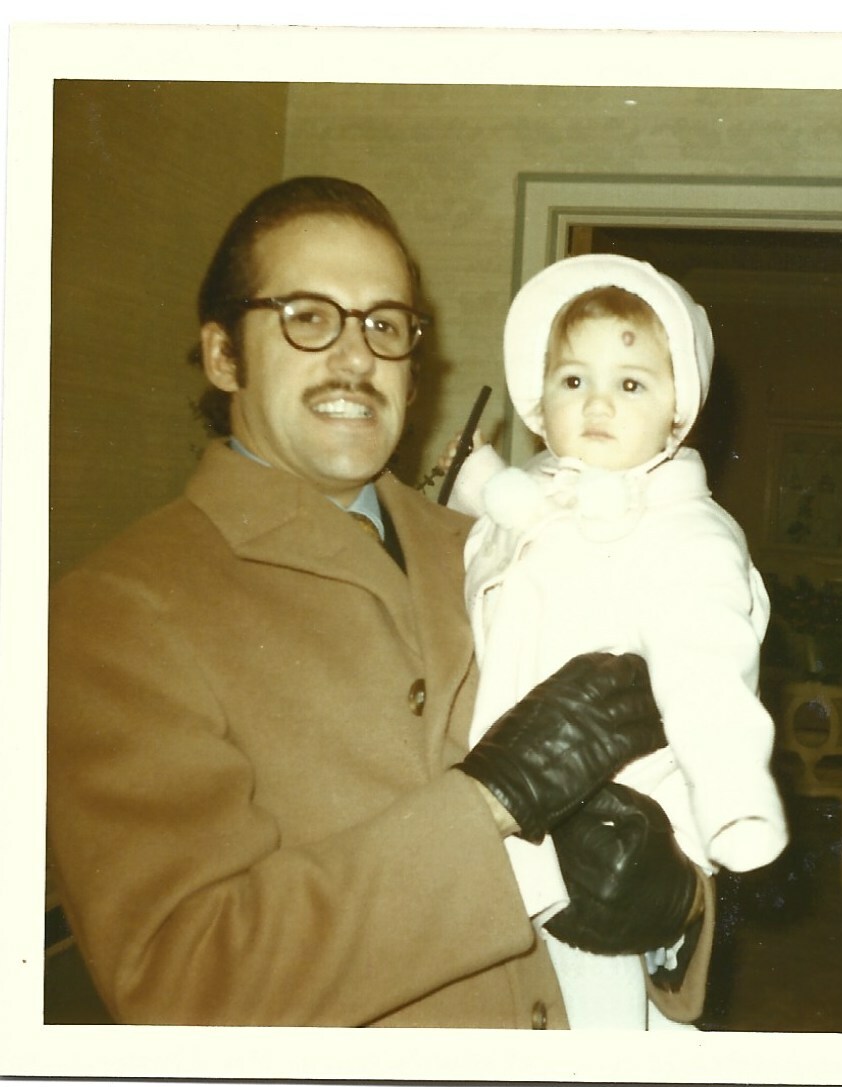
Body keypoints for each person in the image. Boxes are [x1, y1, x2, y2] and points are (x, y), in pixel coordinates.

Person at [45, 177, 715, 1029]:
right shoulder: (119, 610)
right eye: (308, 316)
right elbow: (181, 980)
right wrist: (492, 803)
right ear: (222, 354)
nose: (356, 358)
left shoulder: (498, 542)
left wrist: (675, 912)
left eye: (384, 324)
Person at [445, 254, 788, 1028]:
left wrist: (734, 802)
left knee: (600, 1026)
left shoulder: (686, 533)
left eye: (630, 383)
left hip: (616, 835)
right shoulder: (529, 509)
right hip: (500, 819)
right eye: (574, 380)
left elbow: (709, 673)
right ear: (540, 401)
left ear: (677, 412)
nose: (597, 401)